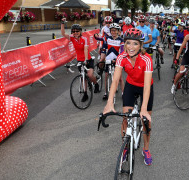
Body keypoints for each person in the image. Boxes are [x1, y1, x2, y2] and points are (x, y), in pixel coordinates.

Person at [103, 28, 154, 166]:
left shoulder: (147, 59)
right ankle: (125, 147)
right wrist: (109, 103)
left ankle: (146, 149)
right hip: (131, 85)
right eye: (128, 43)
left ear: (141, 45)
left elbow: (148, 86)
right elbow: (115, 81)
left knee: (146, 122)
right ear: (124, 44)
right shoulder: (121, 57)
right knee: (126, 117)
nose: (131, 47)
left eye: (135, 44)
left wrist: (143, 109)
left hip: (145, 87)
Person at [60, 19, 100, 102]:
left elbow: (86, 50)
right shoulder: (72, 38)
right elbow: (63, 33)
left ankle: (96, 84)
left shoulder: (84, 39)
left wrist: (86, 60)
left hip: (88, 59)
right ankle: (85, 94)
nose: (75, 32)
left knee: (89, 75)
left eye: (77, 31)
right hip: (79, 60)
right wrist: (62, 23)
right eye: (73, 31)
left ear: (80, 31)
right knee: (83, 77)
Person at [94, 23, 125, 100]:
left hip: (117, 60)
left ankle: (123, 93)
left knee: (120, 78)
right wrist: (102, 59)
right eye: (112, 31)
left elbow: (122, 52)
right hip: (108, 59)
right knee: (106, 76)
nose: (113, 32)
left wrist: (117, 59)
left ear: (118, 31)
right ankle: (105, 93)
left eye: (115, 31)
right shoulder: (107, 38)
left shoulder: (121, 40)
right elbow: (103, 47)